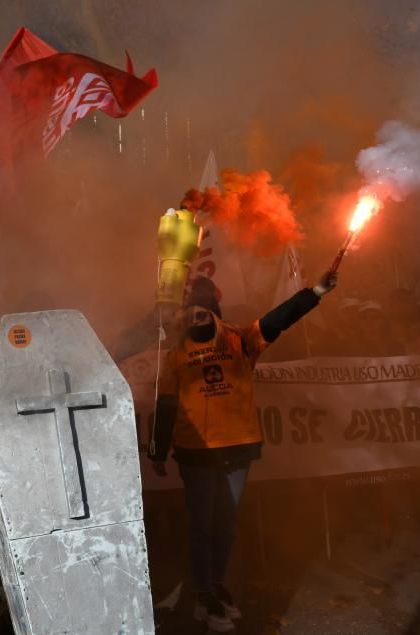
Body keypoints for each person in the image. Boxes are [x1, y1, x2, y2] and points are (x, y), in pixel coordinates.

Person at [150, 271, 337, 633]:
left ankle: (214, 584)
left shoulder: (241, 340)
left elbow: (280, 318)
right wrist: (158, 451)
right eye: (191, 309)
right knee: (201, 525)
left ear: (215, 311)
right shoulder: (175, 355)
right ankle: (203, 595)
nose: (197, 315)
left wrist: (315, 292)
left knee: (226, 523)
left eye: (204, 309)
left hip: (237, 448)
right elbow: (166, 404)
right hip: (196, 452)